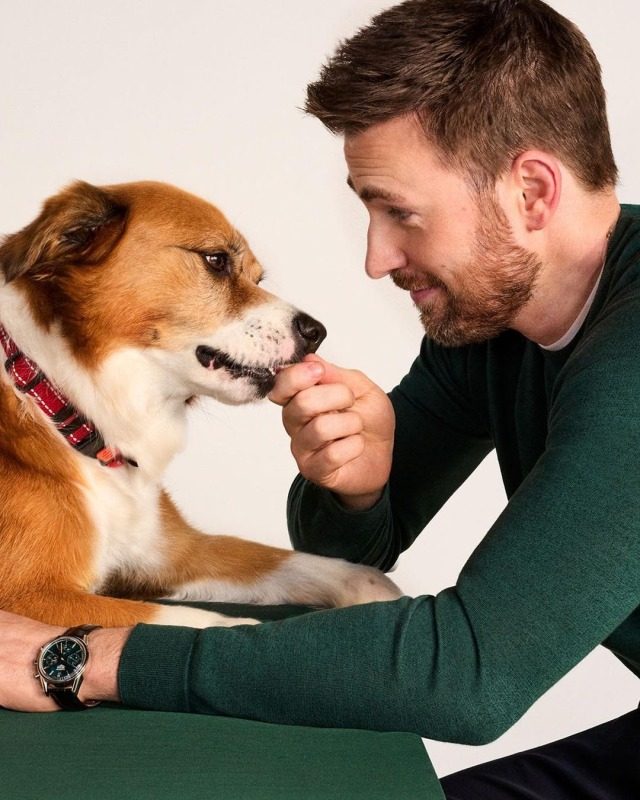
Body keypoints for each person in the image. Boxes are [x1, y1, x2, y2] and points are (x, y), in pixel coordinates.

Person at [2, 0, 639, 796]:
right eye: (367, 208)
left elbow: (467, 674)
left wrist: (76, 659)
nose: (376, 257)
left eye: (400, 211)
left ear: (533, 194)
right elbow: (356, 556)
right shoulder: (495, 329)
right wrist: (361, 488)